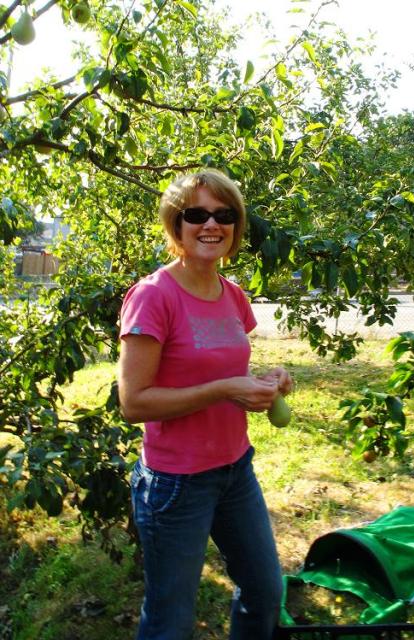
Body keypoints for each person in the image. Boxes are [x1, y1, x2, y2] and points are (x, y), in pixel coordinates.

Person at [118, 169, 293, 640]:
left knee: (265, 594)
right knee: (170, 620)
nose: (211, 225)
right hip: (176, 484)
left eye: (224, 214)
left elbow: (221, 367)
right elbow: (133, 402)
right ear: (176, 224)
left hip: (236, 470)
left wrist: (268, 382)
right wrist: (225, 390)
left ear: (236, 225)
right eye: (196, 214)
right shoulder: (153, 296)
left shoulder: (233, 295)